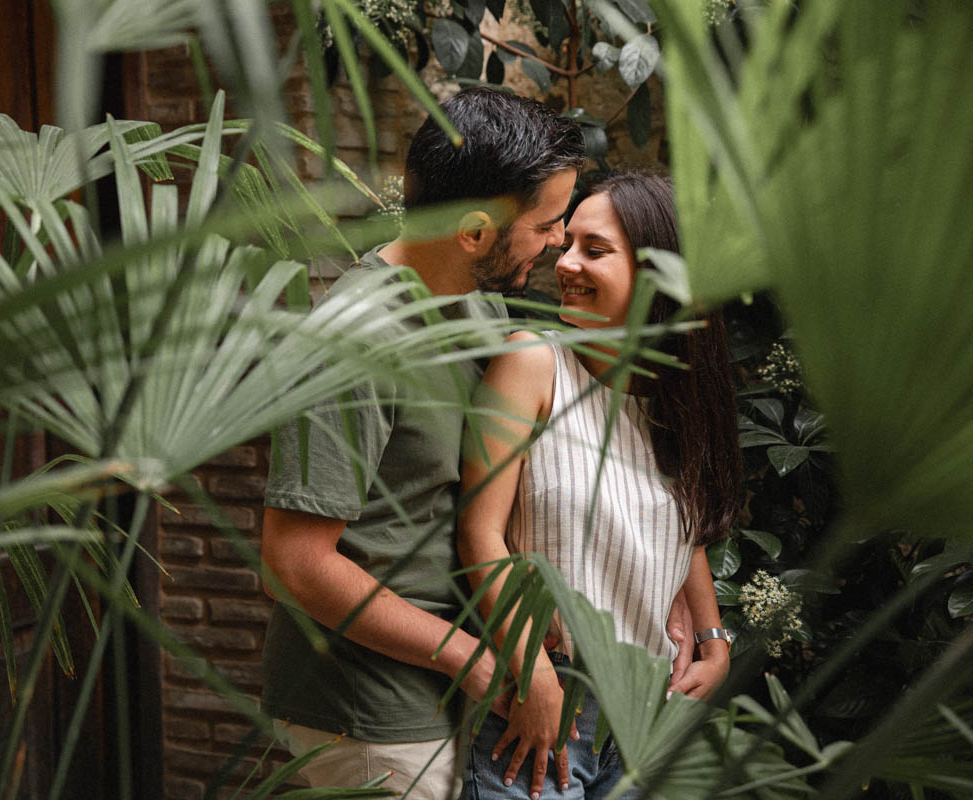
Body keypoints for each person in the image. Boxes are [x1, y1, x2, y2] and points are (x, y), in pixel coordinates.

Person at [258, 87, 586, 799]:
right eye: (548, 224)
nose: (559, 240)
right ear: (474, 231)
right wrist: (469, 657)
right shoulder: (355, 339)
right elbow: (294, 561)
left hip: (449, 694)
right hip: (372, 719)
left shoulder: (477, 298)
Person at [457, 173, 739, 800]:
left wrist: (715, 644)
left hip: (651, 708)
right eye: (568, 243)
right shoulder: (532, 362)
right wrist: (533, 675)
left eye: (595, 249)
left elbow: (683, 526)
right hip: (551, 697)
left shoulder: (678, 399)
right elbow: (480, 529)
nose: (567, 263)